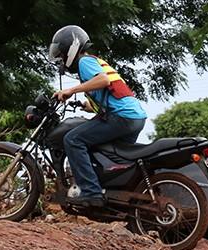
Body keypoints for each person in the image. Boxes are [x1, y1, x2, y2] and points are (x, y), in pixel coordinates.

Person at [48, 25, 147, 207]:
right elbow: (110, 94)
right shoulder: (93, 62)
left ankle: (91, 192)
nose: (61, 60)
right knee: (112, 156)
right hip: (134, 117)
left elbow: (103, 80)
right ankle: (117, 197)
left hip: (122, 117)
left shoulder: (84, 61)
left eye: (61, 55)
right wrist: (85, 105)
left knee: (73, 139)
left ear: (71, 48)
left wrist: (71, 90)